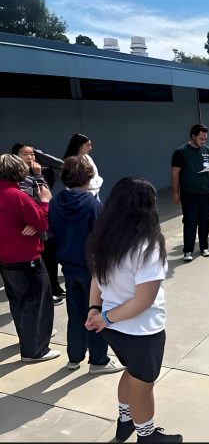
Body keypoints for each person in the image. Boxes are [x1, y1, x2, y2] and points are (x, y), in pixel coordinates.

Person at [85, 177, 182, 443]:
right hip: (142, 330)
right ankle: (147, 435)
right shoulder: (148, 246)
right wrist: (103, 316)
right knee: (143, 384)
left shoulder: (104, 238)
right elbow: (144, 300)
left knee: (131, 373)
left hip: (115, 330)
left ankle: (125, 421)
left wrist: (96, 309)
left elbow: (96, 277)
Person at [49, 156, 123, 375]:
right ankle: (98, 360)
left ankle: (74, 356)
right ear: (89, 176)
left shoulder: (55, 202)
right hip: (91, 270)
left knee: (75, 313)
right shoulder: (93, 205)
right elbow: (102, 240)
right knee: (95, 311)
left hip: (68, 267)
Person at [0, 154, 60, 362]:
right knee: (40, 303)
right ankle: (36, 349)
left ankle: (27, 340)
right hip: (27, 257)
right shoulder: (18, 196)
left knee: (19, 303)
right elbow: (43, 223)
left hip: (6, 260)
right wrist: (44, 202)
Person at [12, 142, 65, 307]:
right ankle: (48, 294)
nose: (30, 158)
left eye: (32, 154)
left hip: (45, 220)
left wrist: (39, 154)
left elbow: (62, 165)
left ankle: (54, 288)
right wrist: (37, 176)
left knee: (51, 258)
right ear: (15, 157)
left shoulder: (41, 170)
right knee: (40, 263)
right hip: (32, 225)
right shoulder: (15, 177)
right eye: (25, 154)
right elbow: (32, 199)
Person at [171, 124, 209, 261]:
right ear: (193, 136)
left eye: (205, 138)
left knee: (205, 221)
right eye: (201, 138)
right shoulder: (181, 151)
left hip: (207, 193)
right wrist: (175, 193)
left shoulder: (208, 151)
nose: (203, 141)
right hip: (189, 194)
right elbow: (175, 173)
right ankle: (188, 250)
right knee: (190, 222)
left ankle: (204, 247)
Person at [64, 133, 103, 200]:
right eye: (87, 145)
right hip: (79, 197)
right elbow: (79, 182)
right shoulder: (70, 162)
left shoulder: (88, 158)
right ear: (79, 146)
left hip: (95, 194)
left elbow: (96, 175)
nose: (90, 148)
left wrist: (97, 182)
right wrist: (95, 184)